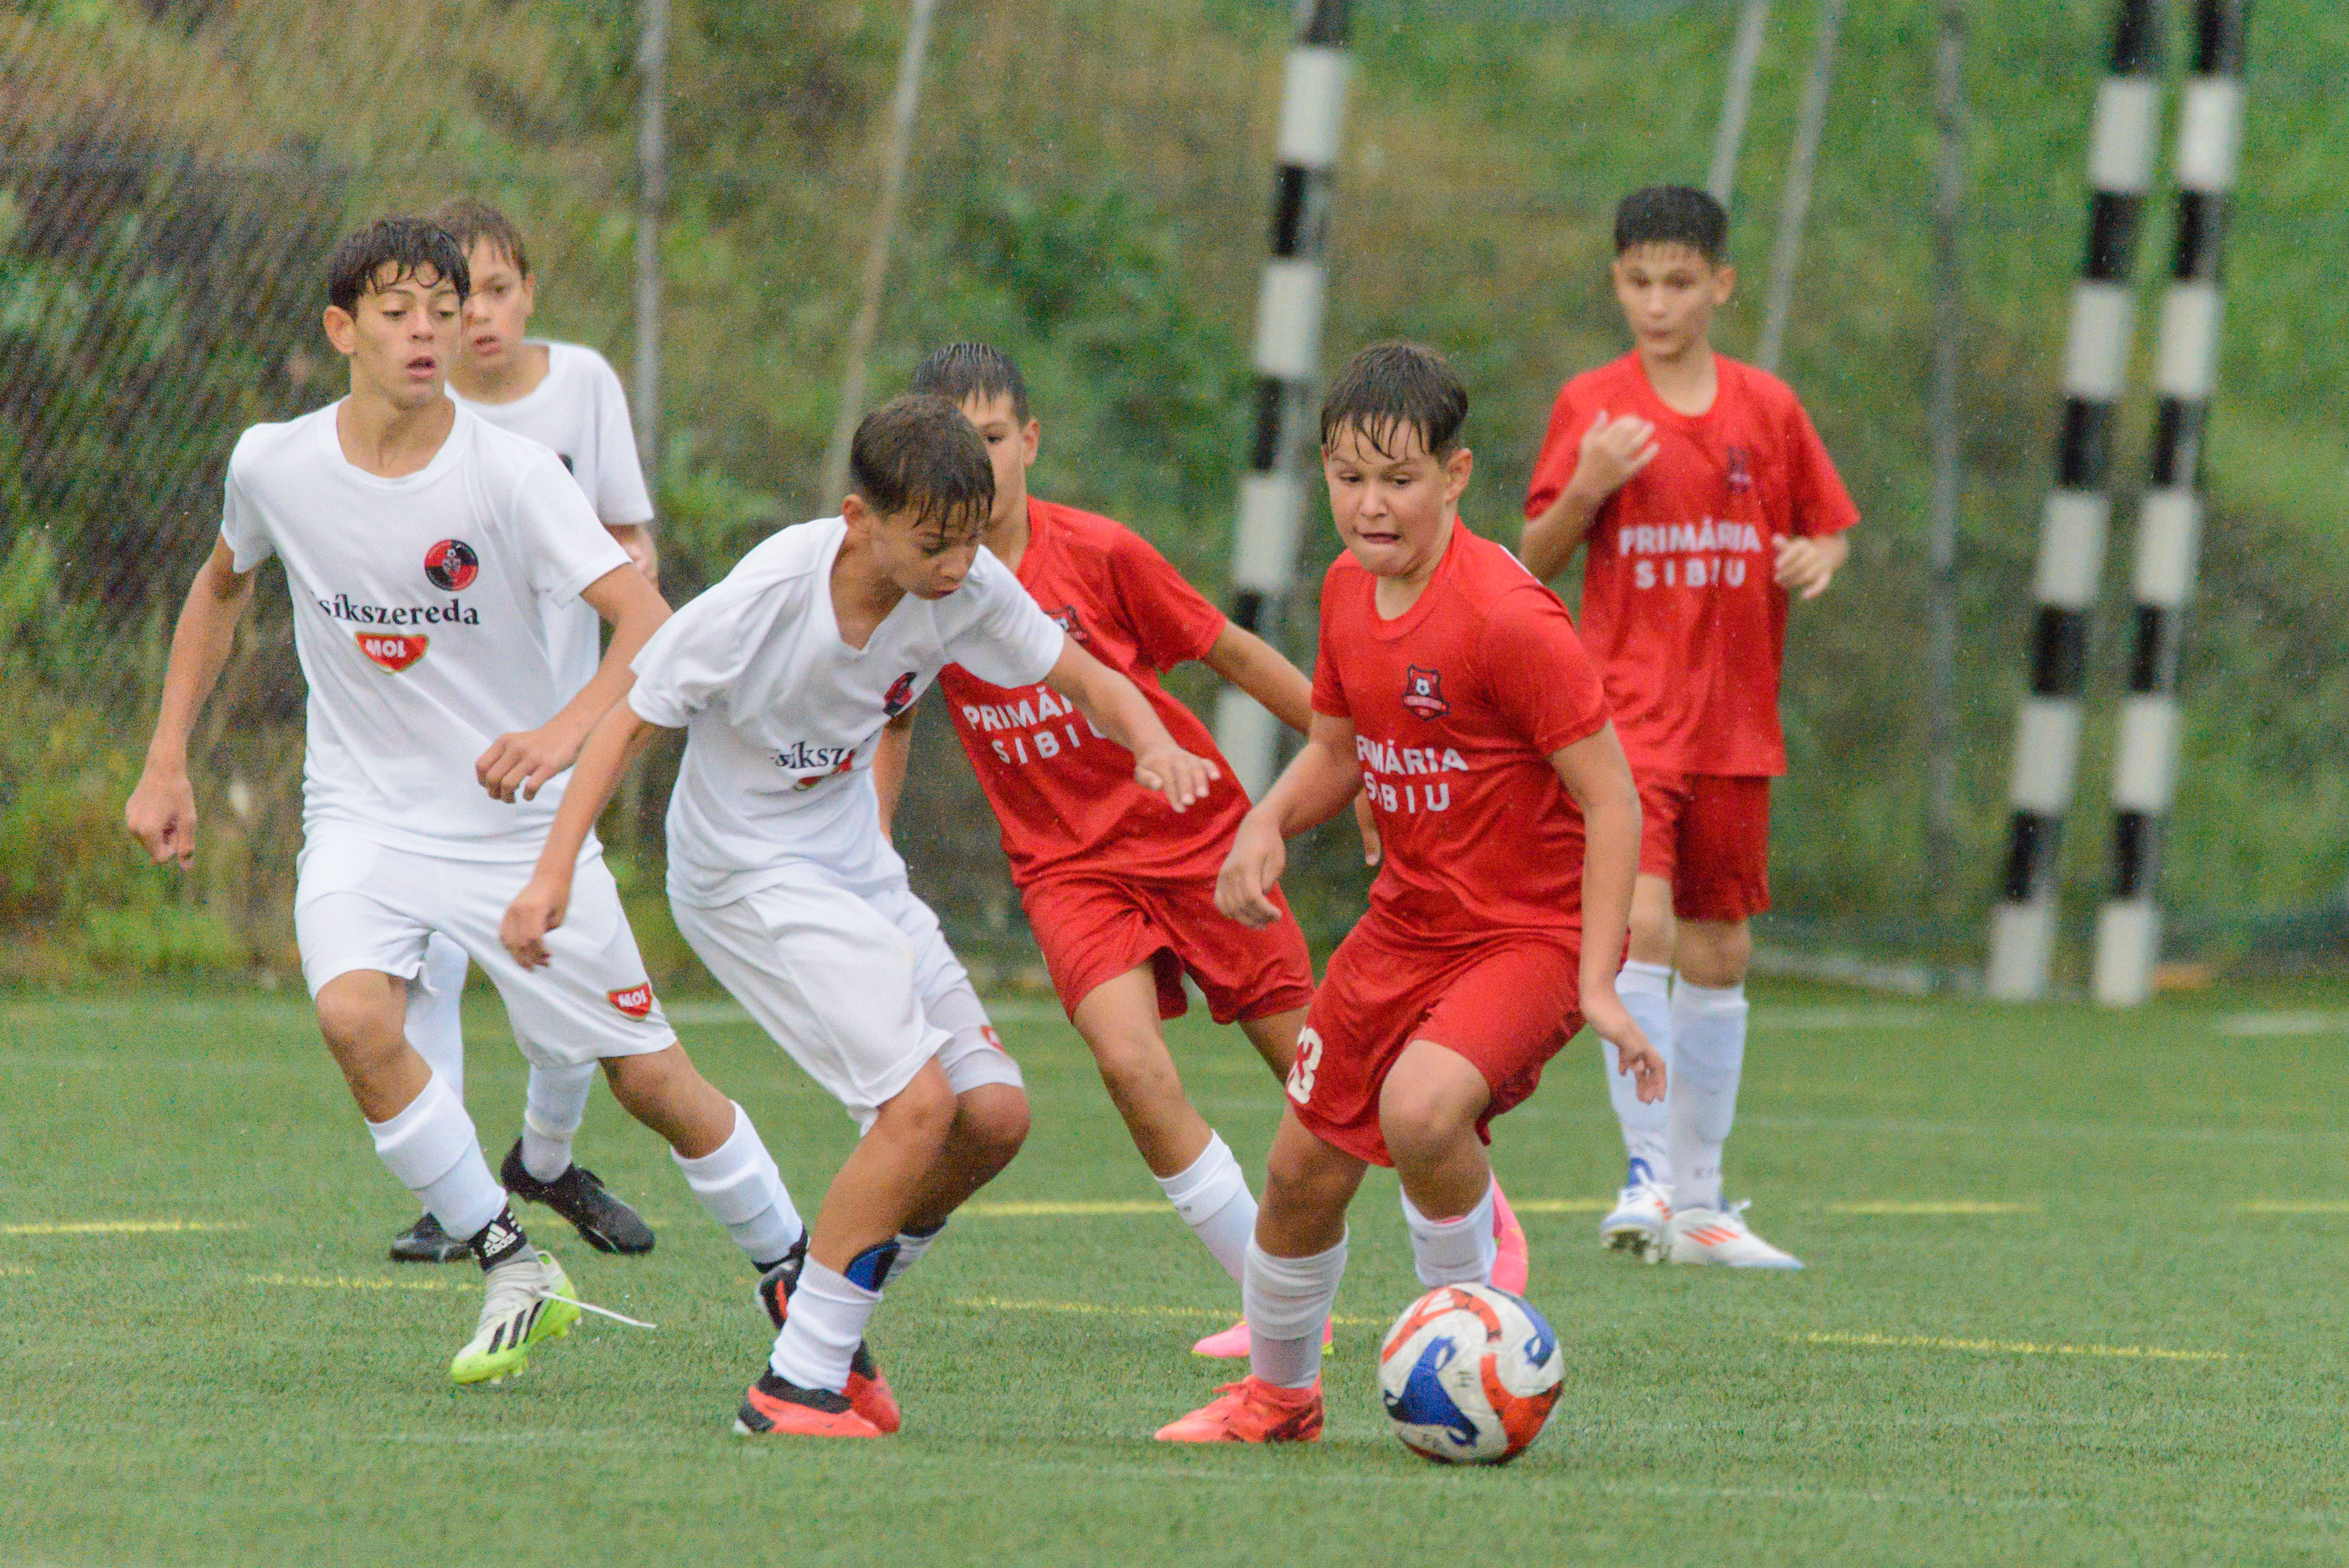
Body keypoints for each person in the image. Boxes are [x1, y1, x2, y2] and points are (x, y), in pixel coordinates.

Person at [125, 218, 807, 1387]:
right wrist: (166, 757)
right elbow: (221, 586)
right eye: (399, 311)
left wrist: (560, 731)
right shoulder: (273, 463)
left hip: (515, 837)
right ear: (343, 331)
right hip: (364, 821)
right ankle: (511, 1259)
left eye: (443, 308)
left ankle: (799, 1273)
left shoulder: (510, 472)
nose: (429, 329)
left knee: (653, 1083)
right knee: (355, 1021)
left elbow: (650, 620)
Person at [502, 394, 1220, 1439]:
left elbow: (1082, 675)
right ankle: (794, 1385)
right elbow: (626, 727)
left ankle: (823, 1296)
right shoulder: (765, 597)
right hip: (745, 877)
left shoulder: (968, 582)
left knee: (992, 1118)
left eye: (971, 540)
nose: (956, 564)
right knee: (916, 1111)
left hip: (852, 869)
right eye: (933, 543)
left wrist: (1148, 740)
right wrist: (551, 876)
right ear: (858, 519)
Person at [889, 343, 1529, 1360]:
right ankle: (1267, 1297)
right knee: (1129, 1065)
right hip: (1066, 872)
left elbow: (1225, 650)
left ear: (1031, 443)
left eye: (996, 440)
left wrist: (1360, 756)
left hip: (1194, 840)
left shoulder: (1097, 554)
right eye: (955, 444)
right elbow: (883, 717)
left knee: (1321, 1070)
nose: (978, 463)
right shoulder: (919, 577)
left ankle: (1480, 1221)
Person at [1156, 342, 1660, 1445]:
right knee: (1297, 1175)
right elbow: (1338, 749)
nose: (1370, 505)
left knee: (1422, 1110)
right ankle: (1279, 1402)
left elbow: (1612, 799)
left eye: (1398, 479)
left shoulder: (1507, 620)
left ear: (1455, 474)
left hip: (1530, 931)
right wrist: (1264, 821)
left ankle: (1478, 1346)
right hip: (1407, 926)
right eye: (1347, 478)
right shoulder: (1344, 592)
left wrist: (1599, 983)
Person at [1520, 185, 1858, 1269]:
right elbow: (1531, 557)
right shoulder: (1593, 405)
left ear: (1719, 285)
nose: (1655, 302)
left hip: (1734, 726)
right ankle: (1645, 1176)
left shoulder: (1765, 408)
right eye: (1635, 281)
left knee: (1720, 947)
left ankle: (1701, 1204)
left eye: (1677, 282)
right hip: (1626, 724)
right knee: (1643, 928)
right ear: (1614, 282)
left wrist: (1817, 559)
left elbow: (1825, 530)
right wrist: (1587, 486)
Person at [370, 196, 664, 1266]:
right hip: (434, 732)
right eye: (457, 301)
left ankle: (543, 1158)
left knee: (559, 966)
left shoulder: (583, 385)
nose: (479, 317)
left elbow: (631, 536)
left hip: (553, 731)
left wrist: (632, 567)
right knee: (432, 959)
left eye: (498, 290)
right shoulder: (412, 404)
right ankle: (452, 1197)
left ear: (530, 291)